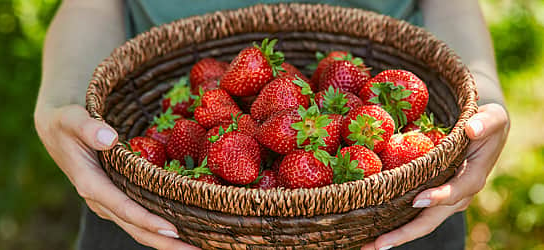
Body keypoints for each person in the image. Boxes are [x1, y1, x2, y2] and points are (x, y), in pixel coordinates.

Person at [34, 0, 509, 249]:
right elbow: (90, 3)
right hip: (161, 217)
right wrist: (64, 99)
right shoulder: (224, 122)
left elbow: (452, 2)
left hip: (396, 212)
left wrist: (481, 93)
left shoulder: (339, 124)